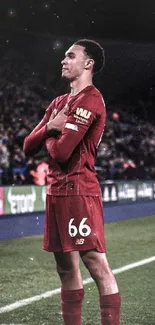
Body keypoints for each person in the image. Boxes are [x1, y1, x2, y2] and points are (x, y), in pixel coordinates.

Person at [23, 39, 121, 325]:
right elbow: (28, 146)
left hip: (79, 189)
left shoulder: (90, 99)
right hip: (55, 192)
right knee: (65, 269)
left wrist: (49, 132)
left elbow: (63, 153)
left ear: (88, 63)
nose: (63, 61)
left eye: (70, 56)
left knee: (95, 264)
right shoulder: (58, 103)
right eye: (64, 57)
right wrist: (52, 129)